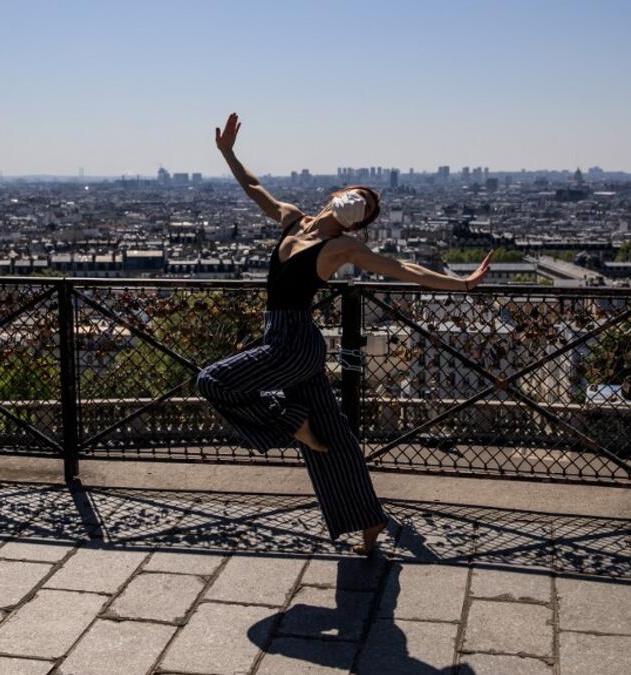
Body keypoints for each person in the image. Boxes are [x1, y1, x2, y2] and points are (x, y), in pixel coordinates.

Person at [196, 113, 494, 555]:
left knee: (213, 381)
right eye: (361, 198)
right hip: (288, 340)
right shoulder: (293, 221)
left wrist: (463, 284)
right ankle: (369, 521)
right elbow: (256, 189)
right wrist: (228, 153)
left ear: (357, 223)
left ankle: (290, 423)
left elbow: (402, 270)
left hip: (290, 344)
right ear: (337, 196)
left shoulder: (340, 248)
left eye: (366, 207)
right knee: (333, 437)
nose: (359, 204)